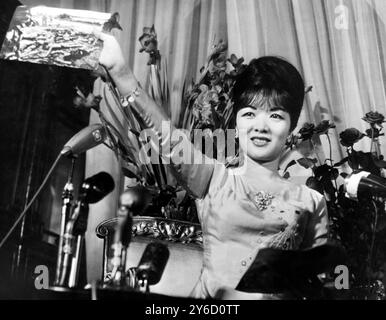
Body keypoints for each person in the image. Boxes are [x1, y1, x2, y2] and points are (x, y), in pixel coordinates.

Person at [95, 31, 329, 299]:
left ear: (291, 126)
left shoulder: (312, 202)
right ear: (237, 125)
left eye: (275, 115)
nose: (260, 126)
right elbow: (166, 135)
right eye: (250, 113)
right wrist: (120, 71)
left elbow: (316, 285)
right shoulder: (213, 180)